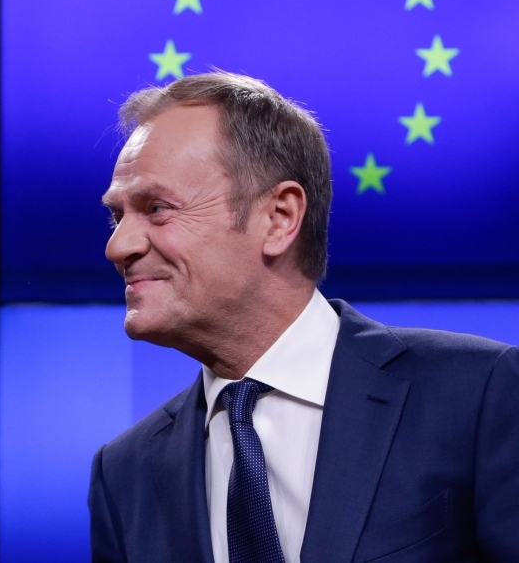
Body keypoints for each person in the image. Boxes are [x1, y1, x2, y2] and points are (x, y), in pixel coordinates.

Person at [91, 72, 519, 562]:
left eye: (157, 208)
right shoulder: (125, 472)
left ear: (278, 218)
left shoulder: (478, 397)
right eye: (116, 216)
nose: (118, 246)